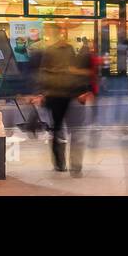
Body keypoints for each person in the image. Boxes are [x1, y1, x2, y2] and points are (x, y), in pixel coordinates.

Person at [38, 24, 91, 174]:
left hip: (70, 94)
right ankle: (60, 162)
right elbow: (44, 73)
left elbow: (76, 72)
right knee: (58, 129)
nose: (62, 36)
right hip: (56, 95)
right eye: (60, 34)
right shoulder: (50, 51)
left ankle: (75, 163)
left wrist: (82, 90)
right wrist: (43, 92)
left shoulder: (70, 50)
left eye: (64, 34)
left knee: (74, 130)